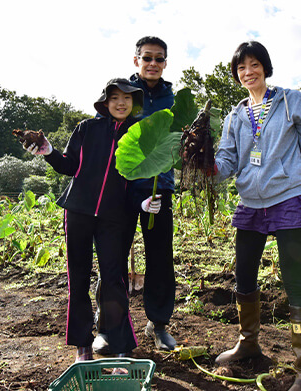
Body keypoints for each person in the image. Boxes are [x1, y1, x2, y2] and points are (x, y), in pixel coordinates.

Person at [211, 41, 301, 391]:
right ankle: (248, 342)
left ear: (265, 67)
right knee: (243, 275)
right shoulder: (235, 116)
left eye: (254, 65)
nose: (248, 72)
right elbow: (226, 162)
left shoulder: (289, 101)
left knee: (295, 281)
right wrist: (203, 165)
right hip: (251, 203)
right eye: (241, 68)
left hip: (288, 199)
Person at [25, 78, 144, 361]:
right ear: (105, 102)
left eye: (127, 98)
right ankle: (82, 344)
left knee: (114, 279)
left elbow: (141, 176)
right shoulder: (86, 128)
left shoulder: (138, 135)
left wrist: (143, 202)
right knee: (78, 278)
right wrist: (48, 152)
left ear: (133, 103)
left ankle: (118, 345)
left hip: (115, 217)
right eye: (115, 97)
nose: (120, 103)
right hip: (78, 211)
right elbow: (69, 166)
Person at [95, 35, 179, 355]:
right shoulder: (123, 93)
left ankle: (158, 324)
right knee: (113, 257)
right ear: (136, 61)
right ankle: (108, 326)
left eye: (159, 59)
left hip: (159, 187)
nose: (153, 64)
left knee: (159, 257)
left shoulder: (173, 98)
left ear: (165, 64)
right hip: (123, 187)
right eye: (147, 58)